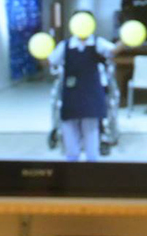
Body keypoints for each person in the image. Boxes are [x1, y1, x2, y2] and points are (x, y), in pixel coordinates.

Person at [47, 14, 122, 161]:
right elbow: (50, 61)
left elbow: (113, 51)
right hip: (71, 96)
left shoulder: (97, 43)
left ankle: (91, 165)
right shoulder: (66, 45)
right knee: (69, 134)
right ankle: (71, 163)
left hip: (92, 95)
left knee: (91, 135)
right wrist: (40, 53)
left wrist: (125, 41)